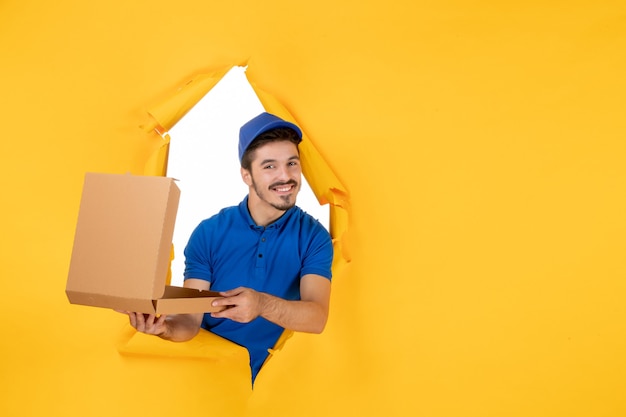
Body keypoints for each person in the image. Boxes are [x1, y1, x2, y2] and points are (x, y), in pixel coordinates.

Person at [120, 112, 334, 384]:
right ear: (246, 175)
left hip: (282, 383)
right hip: (214, 378)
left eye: (292, 163)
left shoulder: (314, 236)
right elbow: (189, 320)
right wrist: (164, 328)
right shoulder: (209, 233)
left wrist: (261, 304)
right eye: (269, 166)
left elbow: (317, 317)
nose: (286, 176)